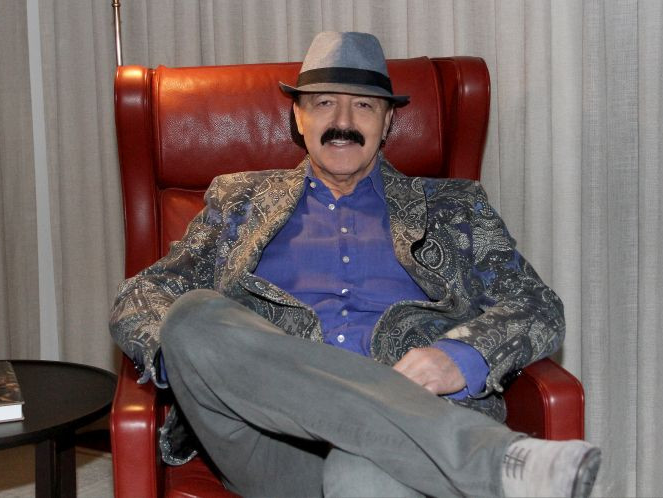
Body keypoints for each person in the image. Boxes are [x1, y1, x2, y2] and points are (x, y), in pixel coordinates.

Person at [110, 31, 600, 498]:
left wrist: (461, 356)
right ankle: (494, 463)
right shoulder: (239, 202)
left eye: (364, 105)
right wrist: (197, 362)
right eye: (324, 102)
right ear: (298, 117)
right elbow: (139, 296)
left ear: (387, 122)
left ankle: (459, 453)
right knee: (192, 318)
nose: (343, 120)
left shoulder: (454, 207)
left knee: (364, 472)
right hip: (273, 444)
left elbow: (537, 305)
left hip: (407, 441)